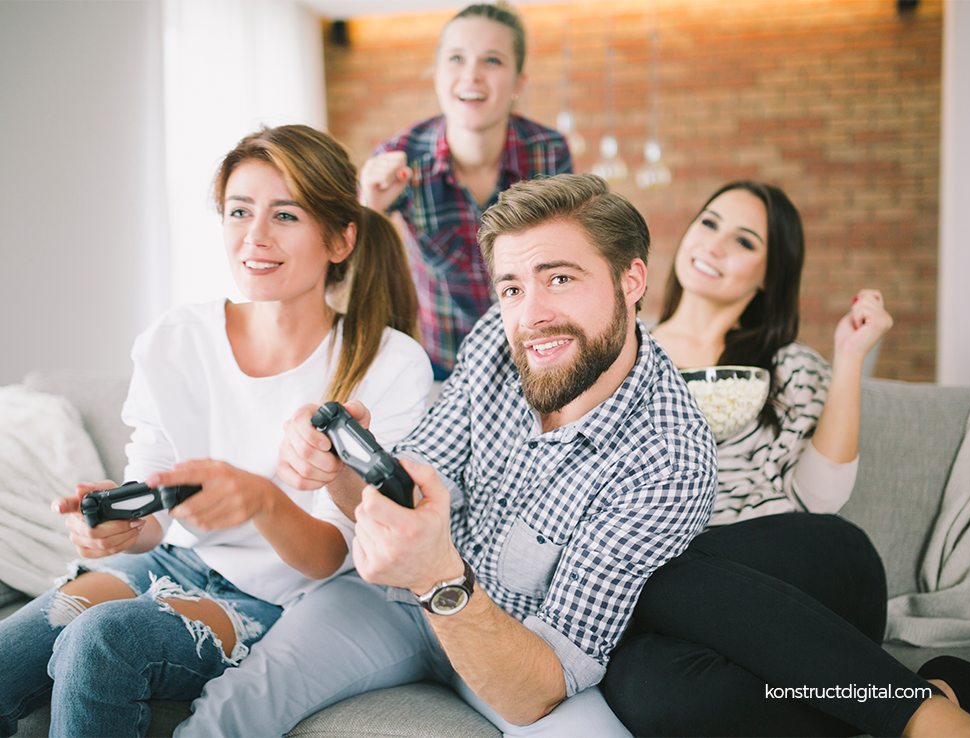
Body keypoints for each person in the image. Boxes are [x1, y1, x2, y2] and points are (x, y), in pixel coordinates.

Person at [169, 173, 716, 737]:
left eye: (559, 278)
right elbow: (407, 482)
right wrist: (337, 469)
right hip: (394, 601)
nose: (531, 316)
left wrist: (439, 578)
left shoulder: (668, 460)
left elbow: (540, 687)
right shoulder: (500, 339)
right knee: (229, 713)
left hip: (516, 650)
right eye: (512, 288)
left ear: (632, 279)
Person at [0, 124, 433, 737]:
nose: (254, 237)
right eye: (238, 211)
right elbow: (153, 515)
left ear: (340, 238)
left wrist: (260, 498)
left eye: (285, 215)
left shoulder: (389, 364)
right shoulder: (175, 340)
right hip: (169, 564)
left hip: (276, 601)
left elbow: (328, 558)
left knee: (102, 642)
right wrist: (114, 527)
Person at [601, 181, 970, 737]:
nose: (715, 245)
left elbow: (821, 496)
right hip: (680, 609)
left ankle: (926, 721)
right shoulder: (617, 357)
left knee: (653, 571)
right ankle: (922, 697)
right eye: (708, 224)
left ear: (769, 274)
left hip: (809, 574)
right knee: (648, 688)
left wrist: (849, 357)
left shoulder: (788, 368)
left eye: (744, 241)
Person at [360, 2, 573, 380]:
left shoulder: (548, 150)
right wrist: (369, 208)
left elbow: (571, 257)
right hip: (442, 367)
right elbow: (354, 274)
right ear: (437, 74)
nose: (471, 75)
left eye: (492, 60)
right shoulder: (400, 157)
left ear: (518, 83)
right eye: (456, 58)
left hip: (535, 357)